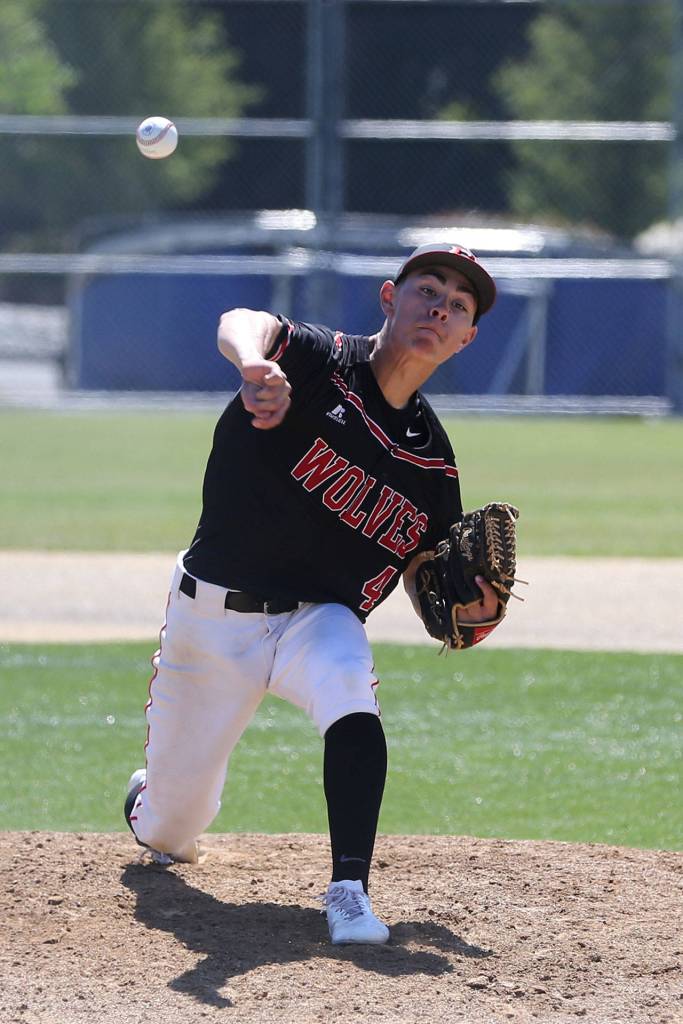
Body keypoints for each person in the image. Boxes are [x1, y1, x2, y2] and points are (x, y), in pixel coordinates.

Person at [124, 242, 501, 946]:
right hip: (214, 618)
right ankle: (150, 800)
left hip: (318, 620)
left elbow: (427, 577)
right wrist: (254, 364)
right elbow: (243, 320)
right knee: (171, 831)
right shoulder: (318, 362)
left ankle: (349, 892)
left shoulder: (433, 465)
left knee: (351, 693)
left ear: (465, 337)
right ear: (390, 298)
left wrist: (470, 611)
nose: (439, 309)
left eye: (457, 305)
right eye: (427, 290)